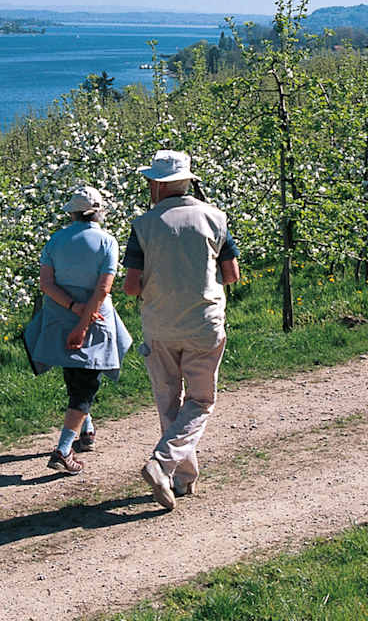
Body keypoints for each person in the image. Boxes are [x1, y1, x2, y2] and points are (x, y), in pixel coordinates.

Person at [123, 150, 240, 510]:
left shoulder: (143, 225)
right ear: (187, 180)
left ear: (157, 185)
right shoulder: (215, 218)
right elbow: (232, 274)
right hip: (203, 323)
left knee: (168, 399)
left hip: (159, 324)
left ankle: (179, 477)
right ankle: (164, 465)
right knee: (201, 401)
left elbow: (130, 285)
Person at [24, 185, 132, 474]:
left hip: (59, 316)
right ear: (98, 212)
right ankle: (63, 449)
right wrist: (83, 323)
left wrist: (72, 309)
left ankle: (87, 430)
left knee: (75, 376)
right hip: (94, 321)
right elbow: (103, 288)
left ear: (71, 213)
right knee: (86, 384)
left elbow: (46, 284)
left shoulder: (55, 240)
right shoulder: (107, 241)